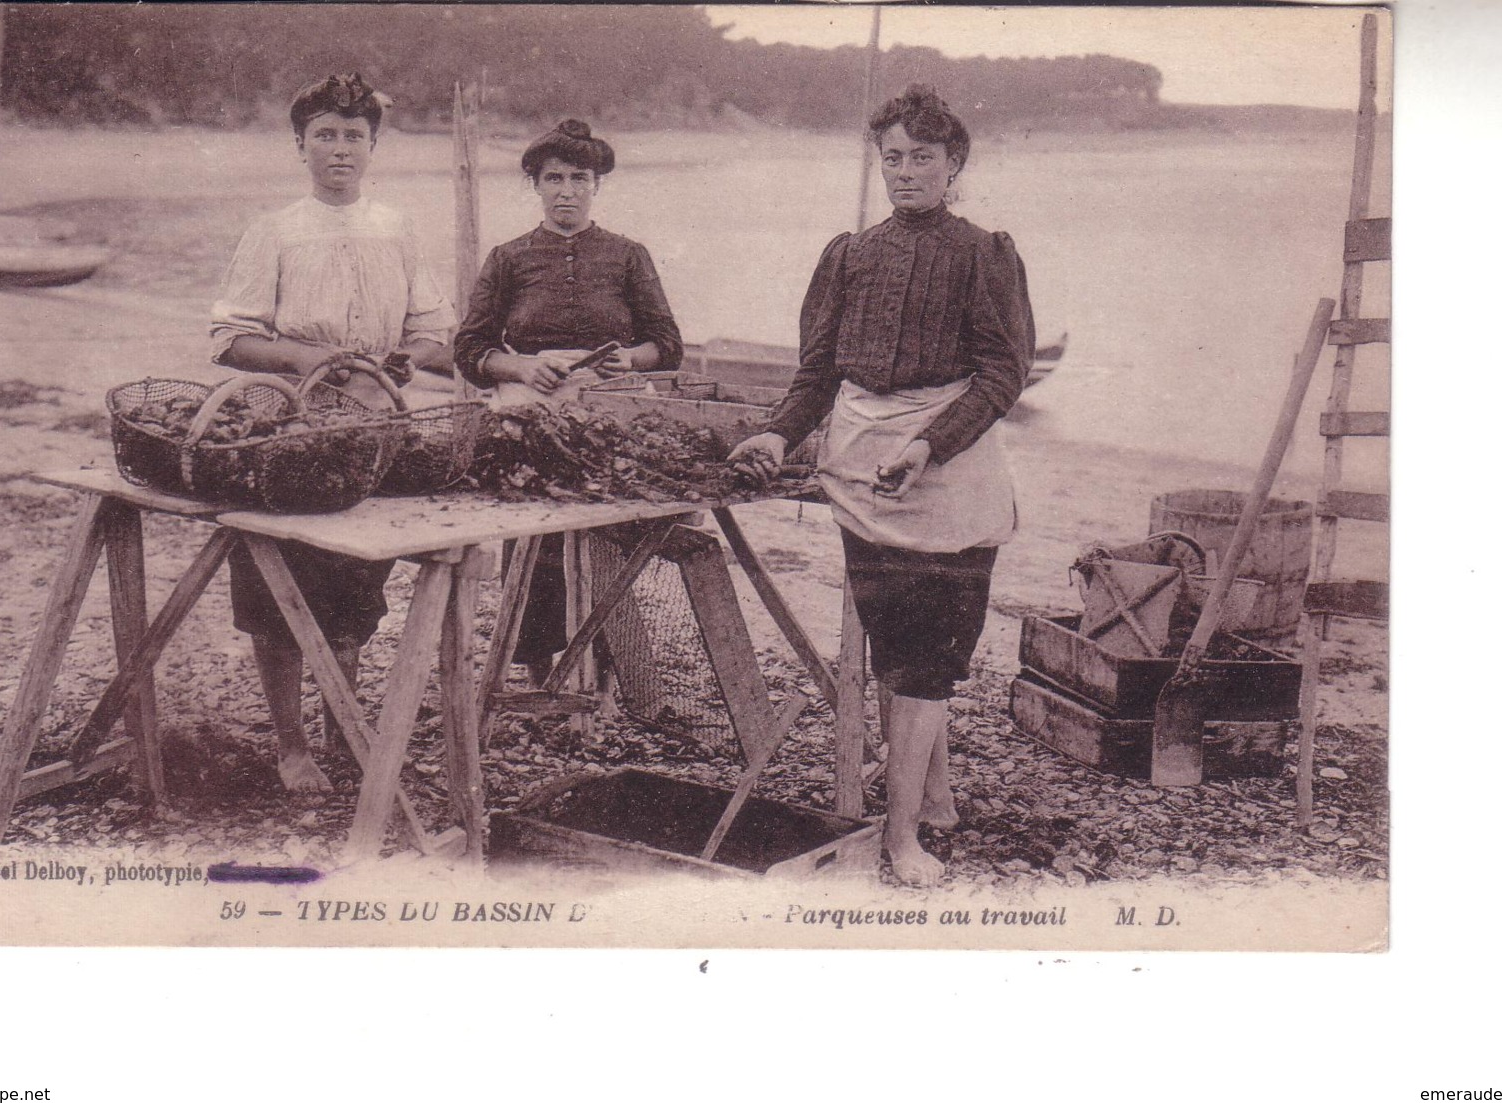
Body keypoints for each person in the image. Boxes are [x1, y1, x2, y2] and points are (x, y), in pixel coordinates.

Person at [729, 85, 1035, 886]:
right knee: (901, 649)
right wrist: (776, 430)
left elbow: (1005, 373)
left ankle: (900, 838)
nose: (905, 173)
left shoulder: (984, 253)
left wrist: (929, 444)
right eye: (891, 158)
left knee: (926, 662)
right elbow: (818, 372)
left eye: (922, 158)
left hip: (952, 473)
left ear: (954, 164)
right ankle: (930, 800)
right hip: (863, 465)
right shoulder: (849, 254)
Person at [209, 72, 457, 791]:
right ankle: (292, 747)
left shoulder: (397, 228)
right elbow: (228, 338)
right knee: (276, 585)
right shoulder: (276, 230)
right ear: (300, 145)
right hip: (286, 427)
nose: (339, 149)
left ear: (373, 145)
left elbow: (428, 333)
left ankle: (342, 730)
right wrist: (308, 357)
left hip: (373, 426)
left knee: (354, 588)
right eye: (325, 135)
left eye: (353, 135)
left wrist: (416, 358)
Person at [455, 119, 683, 684]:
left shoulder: (628, 256)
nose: (566, 191)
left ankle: (607, 669)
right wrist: (524, 366)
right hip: (533, 410)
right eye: (553, 178)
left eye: (579, 178)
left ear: (597, 184)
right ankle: (535, 670)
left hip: (611, 410)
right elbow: (469, 349)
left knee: (610, 533)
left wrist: (631, 359)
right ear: (535, 184)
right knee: (537, 538)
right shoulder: (508, 259)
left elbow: (669, 346)